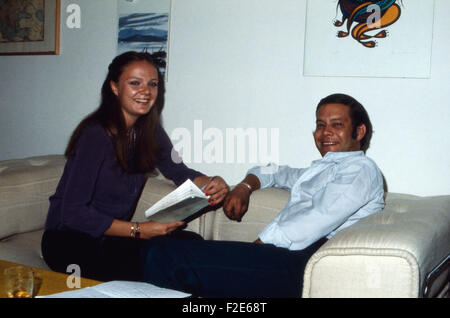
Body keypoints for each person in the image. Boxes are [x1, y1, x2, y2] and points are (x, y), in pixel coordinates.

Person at [142, 93, 385, 297]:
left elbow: (317, 217)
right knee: (180, 241)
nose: (325, 132)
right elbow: (274, 171)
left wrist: (260, 245)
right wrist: (244, 187)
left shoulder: (360, 170)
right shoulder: (322, 169)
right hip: (281, 257)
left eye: (337, 124)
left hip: (300, 263)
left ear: (360, 131)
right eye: (320, 125)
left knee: (167, 255)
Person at [41, 51, 229, 282]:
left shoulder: (151, 131)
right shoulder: (95, 134)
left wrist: (211, 183)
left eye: (153, 84)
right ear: (114, 87)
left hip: (113, 237)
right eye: (134, 83)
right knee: (161, 261)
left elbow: (179, 171)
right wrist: (138, 230)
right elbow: (73, 213)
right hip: (69, 241)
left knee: (190, 243)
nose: (146, 91)